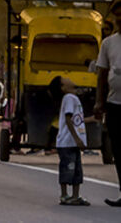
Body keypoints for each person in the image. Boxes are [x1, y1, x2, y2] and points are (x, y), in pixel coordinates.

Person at [94, 5, 121, 206]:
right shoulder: (109, 43)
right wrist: (99, 102)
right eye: (117, 16)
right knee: (118, 151)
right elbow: (102, 75)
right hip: (115, 104)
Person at [48, 75, 89, 206]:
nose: (69, 78)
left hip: (71, 143)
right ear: (63, 87)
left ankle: (74, 196)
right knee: (68, 168)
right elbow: (68, 119)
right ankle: (65, 195)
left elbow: (77, 120)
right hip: (68, 142)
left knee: (76, 169)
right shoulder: (70, 98)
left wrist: (92, 119)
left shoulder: (71, 98)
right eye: (65, 79)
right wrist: (77, 139)